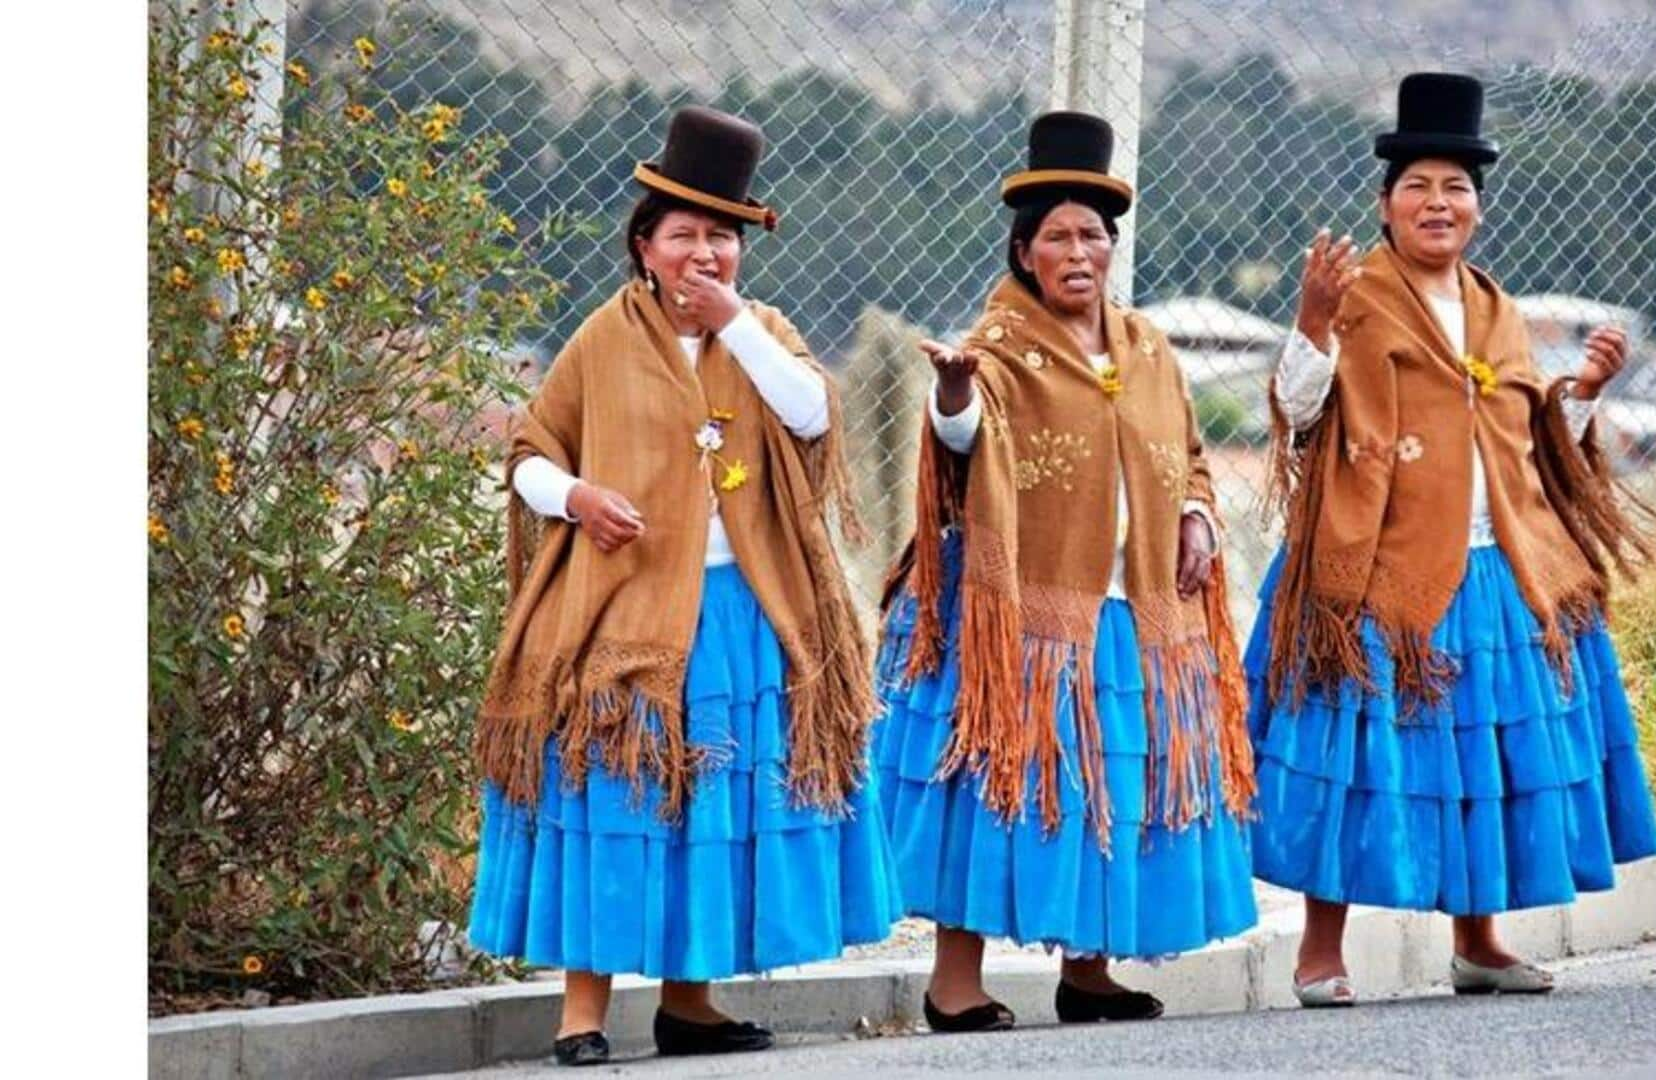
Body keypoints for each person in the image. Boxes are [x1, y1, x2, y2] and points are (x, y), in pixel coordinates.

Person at [466, 106, 899, 1063]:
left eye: (723, 237)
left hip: (741, 611)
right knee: (613, 798)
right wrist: (576, 497)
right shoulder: (602, 340)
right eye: (683, 236)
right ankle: (581, 1014)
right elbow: (531, 452)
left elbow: (811, 415)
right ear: (644, 246)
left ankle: (688, 1000)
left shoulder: (766, 334)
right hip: (622, 610)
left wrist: (735, 324)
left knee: (711, 803)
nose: (704, 254)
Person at [1243, 73, 1656, 1008]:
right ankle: (1321, 950)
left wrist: (1585, 392)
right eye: (1419, 187)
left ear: (1478, 207)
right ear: (1385, 203)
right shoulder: (1355, 300)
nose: (1439, 204)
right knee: (1354, 753)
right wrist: (1310, 324)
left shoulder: (1496, 309)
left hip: (1492, 565)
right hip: (1378, 571)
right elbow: (1301, 414)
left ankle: (1478, 942)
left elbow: (1529, 442)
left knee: (1481, 756)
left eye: (1456, 189)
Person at [871, 111, 1259, 1033]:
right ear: (1024, 250)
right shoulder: (996, 351)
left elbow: (1188, 452)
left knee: (1106, 779)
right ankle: (953, 984)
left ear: (1112, 249)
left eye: (1093, 234)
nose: (1077, 251)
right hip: (1018, 615)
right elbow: (962, 440)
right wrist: (954, 395)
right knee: (995, 776)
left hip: (1131, 609)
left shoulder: (1149, 349)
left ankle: (1089, 972)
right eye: (1057, 236)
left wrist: (1197, 514)